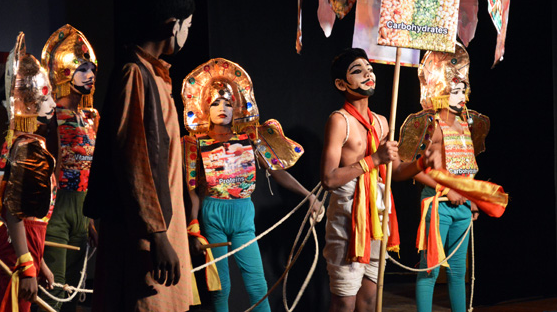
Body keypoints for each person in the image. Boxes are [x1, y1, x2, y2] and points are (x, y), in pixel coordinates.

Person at [83, 0, 195, 312]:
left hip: (163, 228)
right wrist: (157, 235)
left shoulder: (157, 75)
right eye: (187, 25)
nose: (188, 32)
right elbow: (133, 160)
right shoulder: (135, 74)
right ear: (171, 25)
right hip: (146, 236)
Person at [182, 57, 322, 312]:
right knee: (220, 288)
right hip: (213, 213)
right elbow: (192, 190)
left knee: (257, 284)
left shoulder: (251, 139)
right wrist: (193, 227)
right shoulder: (195, 144)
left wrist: (308, 196)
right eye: (215, 102)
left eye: (227, 102)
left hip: (243, 215)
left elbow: (277, 172)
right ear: (205, 107)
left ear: (236, 107)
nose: (222, 107)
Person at [398, 42, 506, 312]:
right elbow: (413, 168)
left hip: (462, 208)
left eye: (463, 90)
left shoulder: (466, 124)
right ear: (442, 93)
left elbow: (467, 167)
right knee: (430, 270)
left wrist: (472, 200)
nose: (461, 97)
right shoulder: (432, 126)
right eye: (454, 91)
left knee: (458, 272)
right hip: (438, 207)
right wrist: (448, 191)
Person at [320, 47, 424, 312]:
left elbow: (396, 173)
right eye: (357, 70)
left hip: (378, 216)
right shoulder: (339, 120)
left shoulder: (381, 121)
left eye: (370, 69)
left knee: (368, 300)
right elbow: (329, 179)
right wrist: (373, 160)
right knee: (344, 302)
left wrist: (424, 162)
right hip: (348, 220)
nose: (368, 74)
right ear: (341, 84)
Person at [0, 32, 57, 311]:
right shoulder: (27, 147)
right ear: (29, 102)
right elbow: (16, 212)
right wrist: (27, 263)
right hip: (20, 242)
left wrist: (38, 261)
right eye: (47, 97)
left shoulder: (22, 143)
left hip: (26, 244)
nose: (53, 104)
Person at [40, 24, 99, 311]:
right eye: (82, 69)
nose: (89, 76)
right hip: (57, 208)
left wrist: (90, 220)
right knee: (55, 290)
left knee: (75, 289)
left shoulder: (92, 117)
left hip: (84, 207)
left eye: (92, 69)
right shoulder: (50, 118)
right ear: (66, 72)